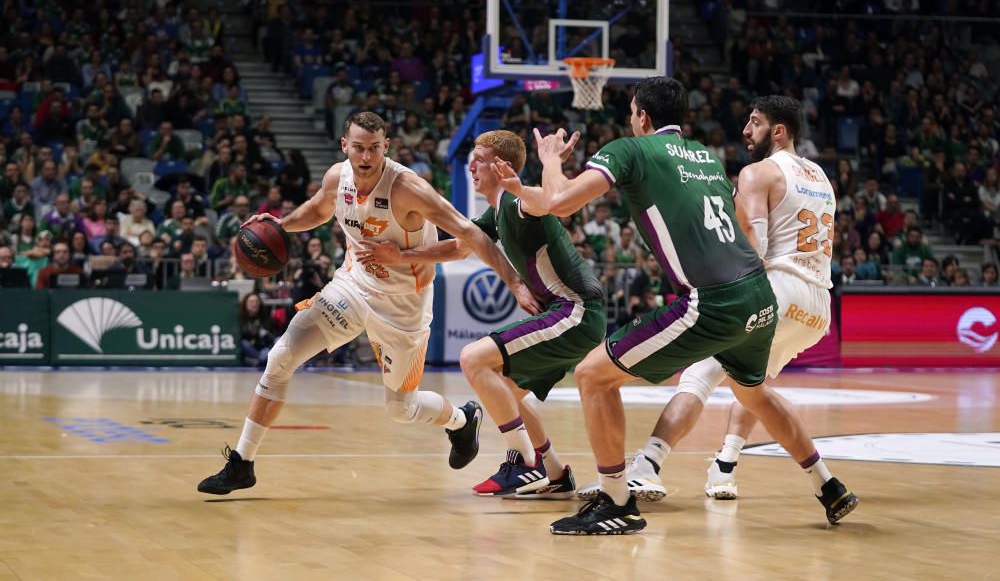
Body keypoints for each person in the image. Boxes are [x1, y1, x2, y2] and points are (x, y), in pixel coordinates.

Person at [495, 78, 857, 534]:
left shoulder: (631, 149)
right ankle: (828, 487)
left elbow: (561, 203)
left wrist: (549, 161)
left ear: (642, 117)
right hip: (762, 297)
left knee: (592, 375)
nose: (631, 120)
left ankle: (617, 500)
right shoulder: (706, 157)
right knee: (752, 392)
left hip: (714, 299)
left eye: (631, 112)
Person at [197, 112, 540, 495]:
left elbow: (467, 235)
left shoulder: (408, 188)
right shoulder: (337, 177)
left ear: (385, 147)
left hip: (403, 306)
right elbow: (317, 209)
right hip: (352, 288)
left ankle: (461, 420)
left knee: (400, 408)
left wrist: (513, 282)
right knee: (281, 358)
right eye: (358, 147)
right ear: (345, 146)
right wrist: (279, 226)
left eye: (373, 149)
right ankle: (242, 463)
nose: (365, 156)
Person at [358, 130, 606, 498]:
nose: (470, 165)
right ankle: (554, 473)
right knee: (508, 390)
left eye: (479, 158)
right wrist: (403, 256)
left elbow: (547, 202)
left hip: (576, 311)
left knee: (473, 359)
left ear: (502, 165)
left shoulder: (516, 203)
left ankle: (524, 464)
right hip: (567, 314)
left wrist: (527, 184)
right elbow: (460, 248)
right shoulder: (496, 211)